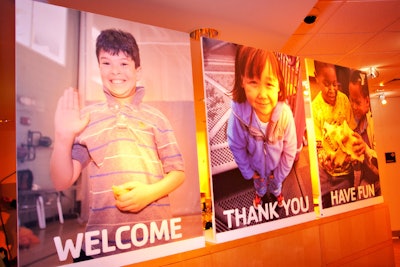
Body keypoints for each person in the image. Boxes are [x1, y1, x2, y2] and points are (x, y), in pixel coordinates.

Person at [50, 29, 185, 260]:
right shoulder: (87, 118)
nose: (115, 71)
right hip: (101, 245)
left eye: (124, 63)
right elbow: (62, 180)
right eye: (107, 62)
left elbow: (178, 172)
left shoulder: (157, 118)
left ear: (137, 70)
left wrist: (149, 193)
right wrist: (63, 138)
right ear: (99, 68)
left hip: (155, 241)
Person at [227, 45, 297, 209]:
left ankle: (277, 192)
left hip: (276, 167)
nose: (262, 95)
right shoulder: (238, 117)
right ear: (242, 81)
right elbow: (236, 146)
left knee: (275, 184)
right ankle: (259, 194)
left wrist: (279, 175)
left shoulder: (285, 115)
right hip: (256, 167)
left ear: (279, 84)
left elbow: (290, 149)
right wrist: (248, 172)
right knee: (259, 185)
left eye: (269, 84)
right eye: (253, 82)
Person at [311, 60, 364, 208]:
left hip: (346, 173)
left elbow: (352, 131)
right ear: (316, 78)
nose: (332, 89)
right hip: (326, 176)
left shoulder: (344, 100)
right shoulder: (315, 108)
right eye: (326, 84)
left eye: (335, 84)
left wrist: (352, 153)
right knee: (327, 207)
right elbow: (318, 145)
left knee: (348, 207)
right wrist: (324, 159)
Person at [348, 69, 380, 193]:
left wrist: (365, 149)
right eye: (351, 100)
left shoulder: (374, 123)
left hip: (378, 180)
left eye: (357, 102)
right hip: (364, 179)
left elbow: (380, 163)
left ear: (367, 101)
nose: (353, 106)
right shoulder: (355, 123)